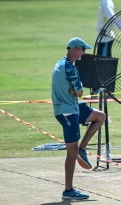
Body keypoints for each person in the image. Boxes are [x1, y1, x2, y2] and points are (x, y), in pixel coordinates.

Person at [52, 37, 106, 200]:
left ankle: (82, 149)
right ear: (75, 49)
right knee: (71, 151)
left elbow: (76, 92)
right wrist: (76, 92)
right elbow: (80, 91)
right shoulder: (70, 68)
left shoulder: (60, 63)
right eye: (83, 49)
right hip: (68, 111)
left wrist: (75, 93)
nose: (84, 53)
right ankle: (68, 191)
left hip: (72, 107)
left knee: (100, 116)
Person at [91, 0, 115, 97]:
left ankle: (105, 90)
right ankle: (97, 90)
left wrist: (107, 31)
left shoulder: (106, 2)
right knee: (101, 63)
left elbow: (113, 18)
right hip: (103, 38)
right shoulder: (106, 1)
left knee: (103, 65)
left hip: (105, 38)